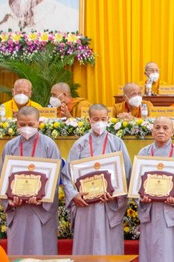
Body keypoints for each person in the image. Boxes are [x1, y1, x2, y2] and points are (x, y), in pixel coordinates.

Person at [62, 103, 132, 254]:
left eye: (103, 119)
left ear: (108, 119)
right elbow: (67, 175)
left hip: (109, 204)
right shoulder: (80, 145)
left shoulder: (117, 143)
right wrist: (74, 195)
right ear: (89, 120)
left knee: (109, 248)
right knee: (86, 246)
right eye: (95, 119)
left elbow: (127, 173)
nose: (99, 122)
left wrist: (117, 193)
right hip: (86, 205)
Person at [0, 106, 62, 254]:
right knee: (18, 251)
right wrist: (9, 201)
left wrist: (43, 199)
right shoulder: (10, 146)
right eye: (22, 124)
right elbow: (2, 177)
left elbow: (56, 178)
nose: (27, 128)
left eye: (31, 124)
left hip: (41, 211)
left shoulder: (49, 145)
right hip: (18, 209)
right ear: (16, 124)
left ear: (38, 123)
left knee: (42, 250)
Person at [137, 117, 174, 262]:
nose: (161, 131)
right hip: (150, 209)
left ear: (172, 132)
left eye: (165, 128)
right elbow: (136, 183)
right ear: (152, 131)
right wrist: (141, 198)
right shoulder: (143, 154)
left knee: (171, 251)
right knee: (150, 249)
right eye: (157, 127)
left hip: (171, 212)